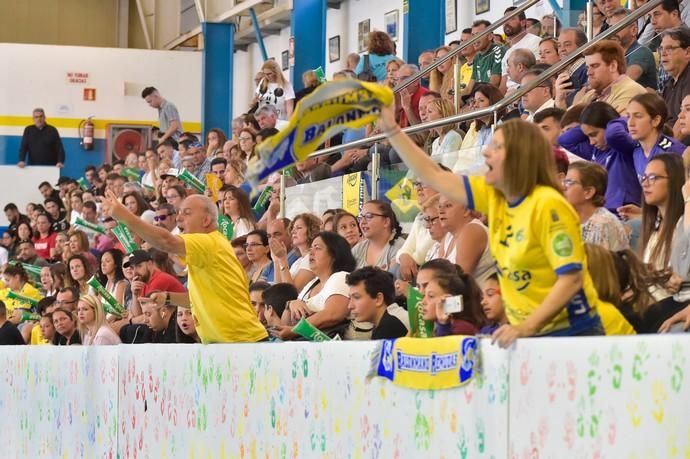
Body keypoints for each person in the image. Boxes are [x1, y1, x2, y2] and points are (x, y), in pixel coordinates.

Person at [378, 106, 609, 347]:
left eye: (497, 147)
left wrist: (525, 328)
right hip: (528, 333)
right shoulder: (494, 195)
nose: (486, 152)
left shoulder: (549, 206)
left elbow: (571, 279)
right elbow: (435, 175)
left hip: (572, 333)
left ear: (519, 158)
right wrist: (392, 129)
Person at [103, 188, 268, 343]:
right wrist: (167, 297)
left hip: (245, 343)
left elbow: (166, 241)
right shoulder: (206, 250)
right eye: (179, 213)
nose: (179, 218)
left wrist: (124, 216)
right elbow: (196, 300)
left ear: (206, 220)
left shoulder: (209, 242)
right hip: (230, 345)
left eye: (187, 213)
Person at [558, 101, 641, 214]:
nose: (591, 142)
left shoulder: (624, 146)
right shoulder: (595, 150)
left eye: (594, 134)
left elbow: (613, 134)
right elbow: (564, 140)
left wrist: (619, 119)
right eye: (588, 136)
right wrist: (585, 126)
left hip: (624, 213)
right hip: (602, 213)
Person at [271, 232, 356, 340]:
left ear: (334, 254)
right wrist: (290, 304)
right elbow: (285, 325)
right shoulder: (312, 284)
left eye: (317, 248)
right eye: (310, 248)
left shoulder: (341, 277)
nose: (311, 252)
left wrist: (295, 330)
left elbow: (333, 314)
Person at [608, 93, 685, 178]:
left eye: (638, 116)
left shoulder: (673, 151)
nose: (630, 123)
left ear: (655, 120)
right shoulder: (637, 151)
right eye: (628, 116)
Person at [559, 40, 646, 115]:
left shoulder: (631, 91)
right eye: (587, 67)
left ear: (613, 66)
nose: (589, 73)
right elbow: (567, 125)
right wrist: (560, 101)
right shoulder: (592, 94)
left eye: (595, 66)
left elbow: (610, 130)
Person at [563, 161, 630, 251]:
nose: (562, 187)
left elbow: (605, 263)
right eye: (563, 181)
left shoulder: (605, 223)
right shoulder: (565, 217)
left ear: (588, 192)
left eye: (569, 182)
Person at [416, 259, 486, 336]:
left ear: (449, 298)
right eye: (418, 287)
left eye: (431, 296)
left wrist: (443, 326)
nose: (421, 295)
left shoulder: (462, 328)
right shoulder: (442, 327)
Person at [437, 193, 494, 287]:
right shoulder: (448, 237)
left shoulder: (472, 230)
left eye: (448, 205)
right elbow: (437, 275)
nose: (441, 211)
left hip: (481, 300)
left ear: (466, 210)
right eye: (439, 207)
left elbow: (458, 283)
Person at [346, 267, 409, 339]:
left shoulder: (389, 326)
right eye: (350, 298)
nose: (350, 306)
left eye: (356, 297)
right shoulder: (389, 318)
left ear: (379, 299)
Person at [608, 8, 658, 91]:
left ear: (633, 30)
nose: (612, 33)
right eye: (611, 28)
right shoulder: (612, 54)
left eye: (617, 28)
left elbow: (627, 80)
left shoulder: (641, 51)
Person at [271, 213, 320, 291]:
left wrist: (283, 260)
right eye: (293, 228)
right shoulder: (298, 261)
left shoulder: (311, 258)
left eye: (299, 228)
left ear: (312, 230)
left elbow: (291, 292)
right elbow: (278, 289)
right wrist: (277, 261)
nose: (293, 231)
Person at [352, 200, 405, 271]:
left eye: (369, 216)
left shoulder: (400, 248)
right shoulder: (358, 249)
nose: (363, 222)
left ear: (386, 222)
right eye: (361, 217)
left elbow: (393, 280)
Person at [501, 6, 542, 92]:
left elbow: (537, 72)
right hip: (509, 97)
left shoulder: (535, 41)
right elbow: (504, 85)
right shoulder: (507, 53)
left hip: (526, 91)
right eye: (504, 20)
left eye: (511, 19)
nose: (506, 23)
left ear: (523, 22)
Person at [660, 27, 690, 126]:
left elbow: (683, 122)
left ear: (687, 52)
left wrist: (665, 142)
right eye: (661, 49)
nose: (663, 54)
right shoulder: (669, 83)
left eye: (669, 48)